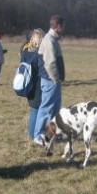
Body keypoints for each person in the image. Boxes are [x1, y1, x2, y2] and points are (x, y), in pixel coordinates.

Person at [33, 15, 66, 146]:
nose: (64, 29)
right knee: (46, 108)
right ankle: (38, 135)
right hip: (50, 81)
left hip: (53, 81)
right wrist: (56, 79)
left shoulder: (54, 39)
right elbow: (50, 64)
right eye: (63, 26)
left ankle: (51, 133)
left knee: (54, 110)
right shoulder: (49, 41)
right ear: (58, 26)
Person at [20, 28, 44, 139]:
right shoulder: (40, 54)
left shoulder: (25, 51)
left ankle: (33, 134)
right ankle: (34, 135)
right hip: (38, 86)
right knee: (36, 111)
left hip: (28, 84)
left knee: (33, 110)